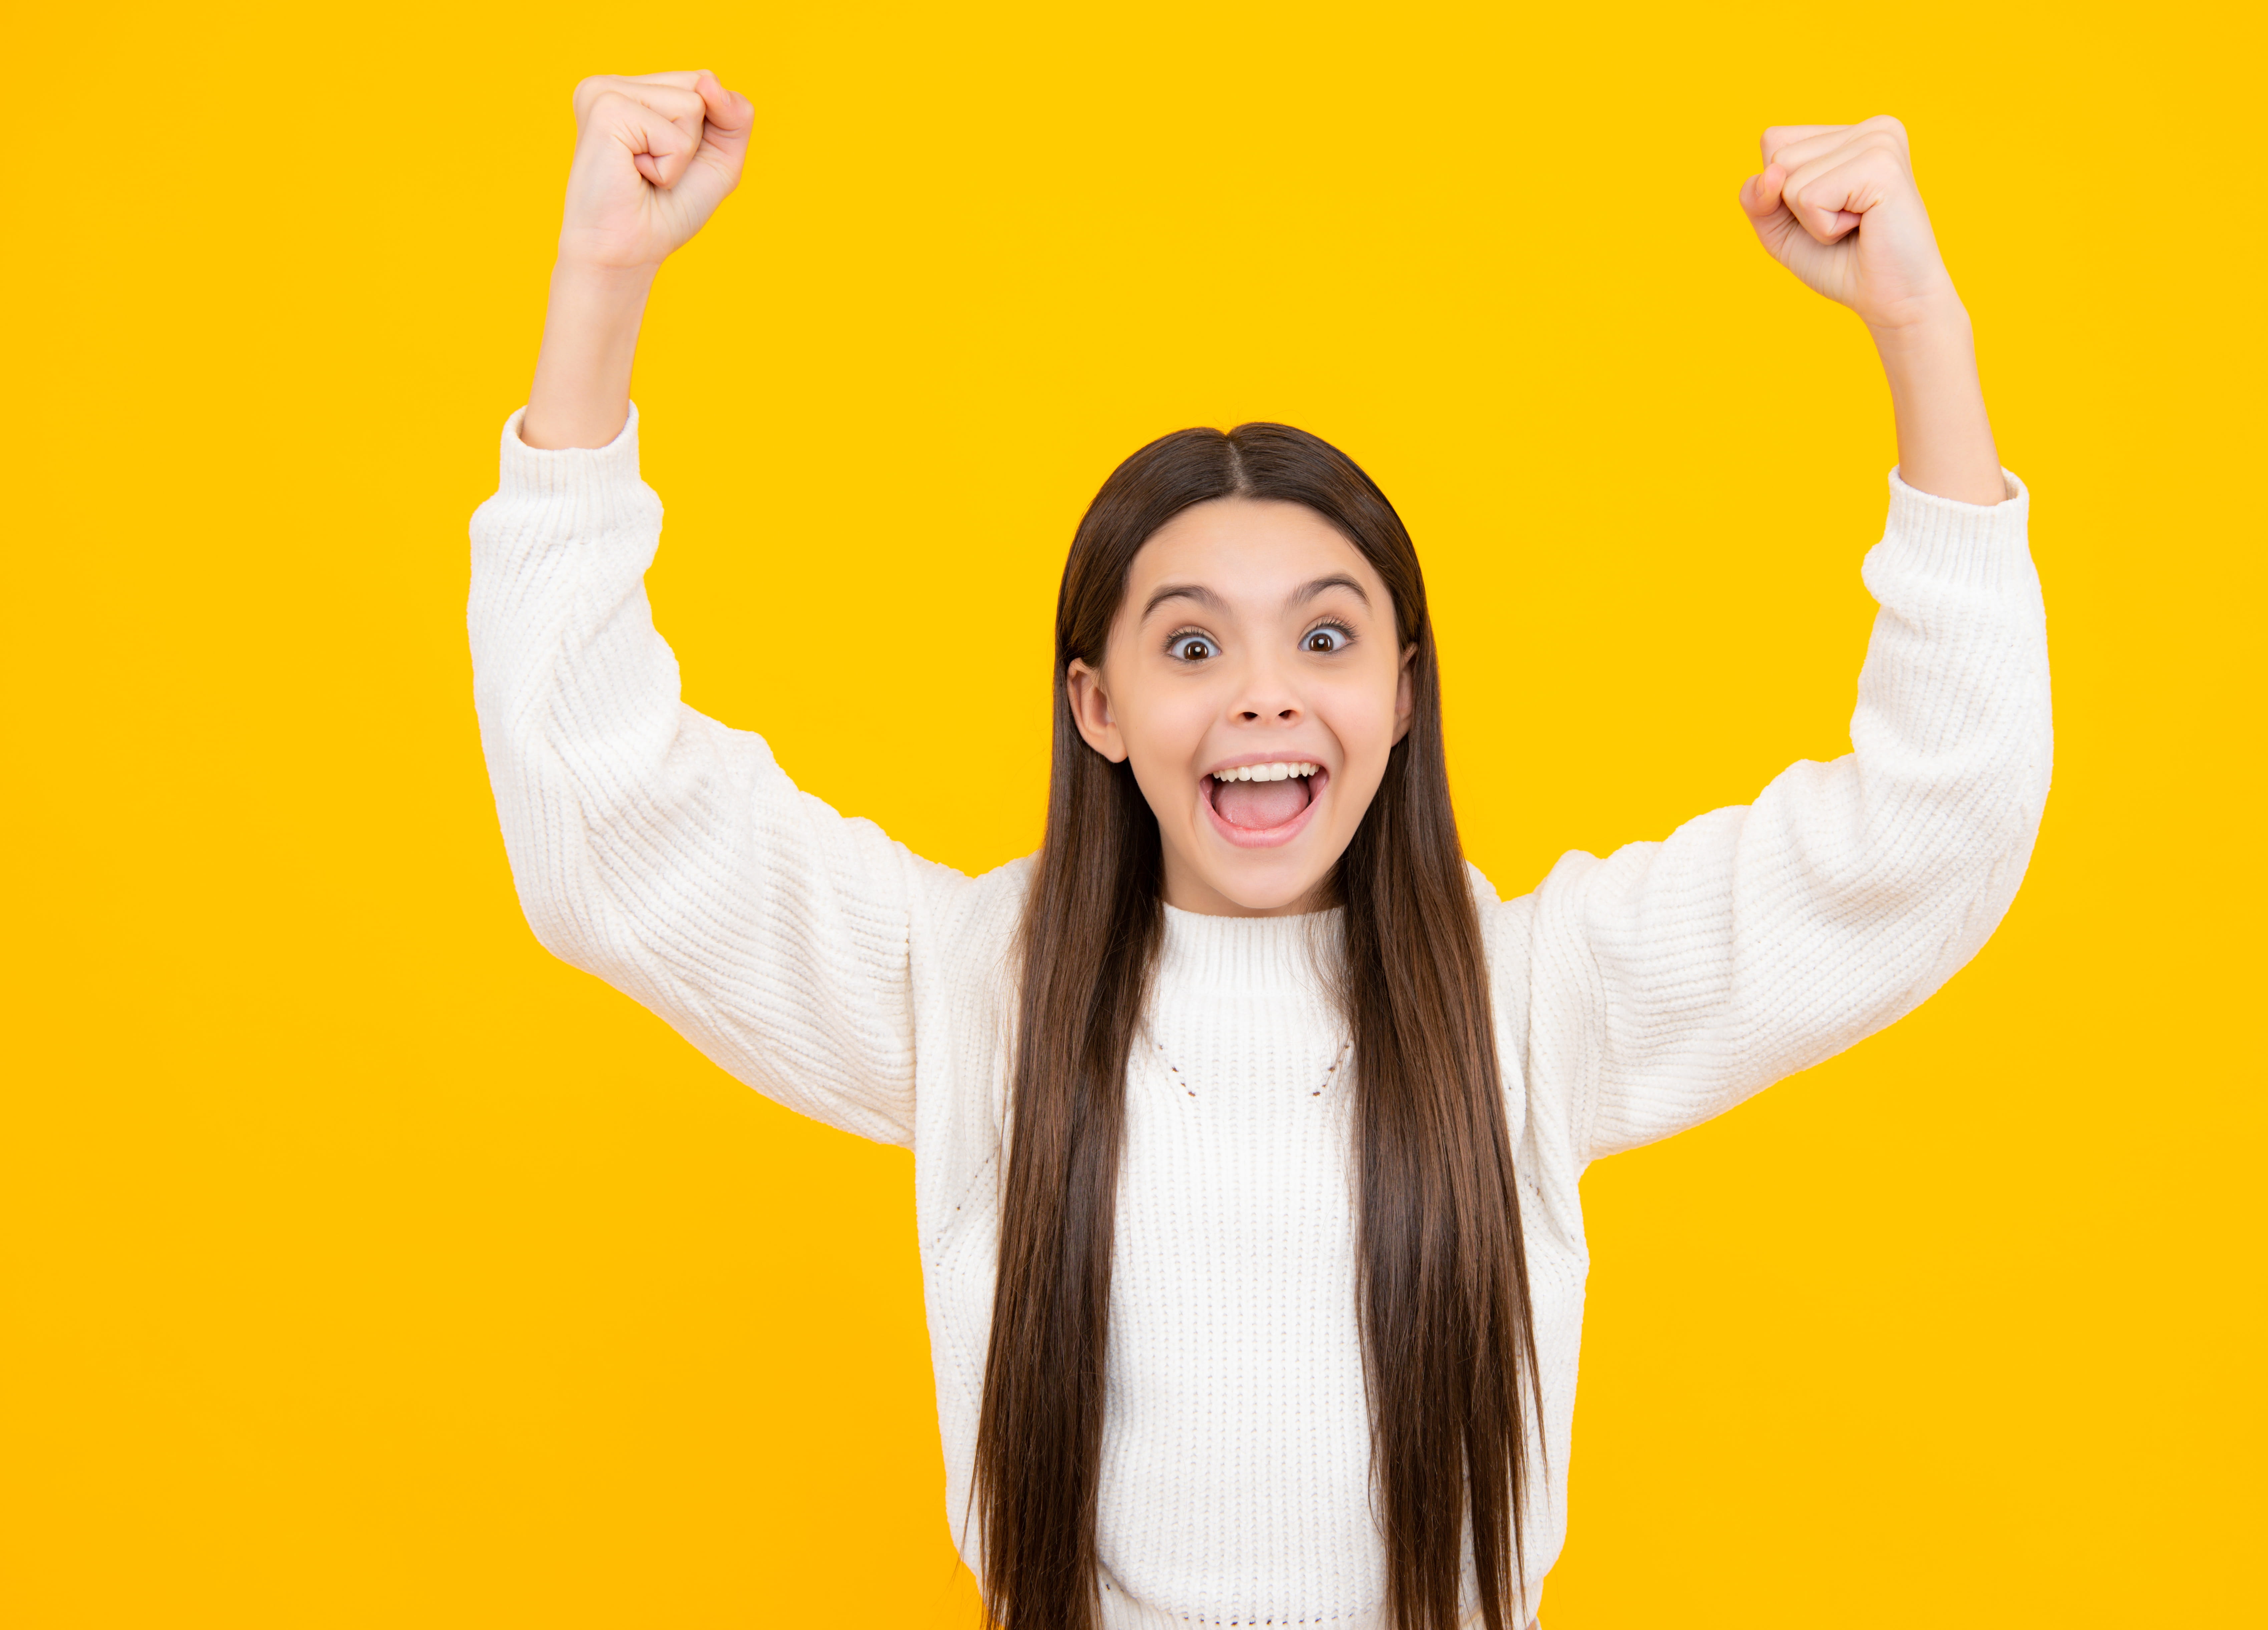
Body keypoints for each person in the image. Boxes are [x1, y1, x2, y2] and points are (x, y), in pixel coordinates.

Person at [469, 68, 2050, 1630]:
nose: (1265, 694)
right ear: (1094, 704)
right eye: (1189, 647)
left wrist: (1920, 331)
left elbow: (1930, 821)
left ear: (1402, 695)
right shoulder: (973, 992)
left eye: (1323, 634)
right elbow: (601, 805)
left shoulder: (1533, 998)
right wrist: (600, 284)